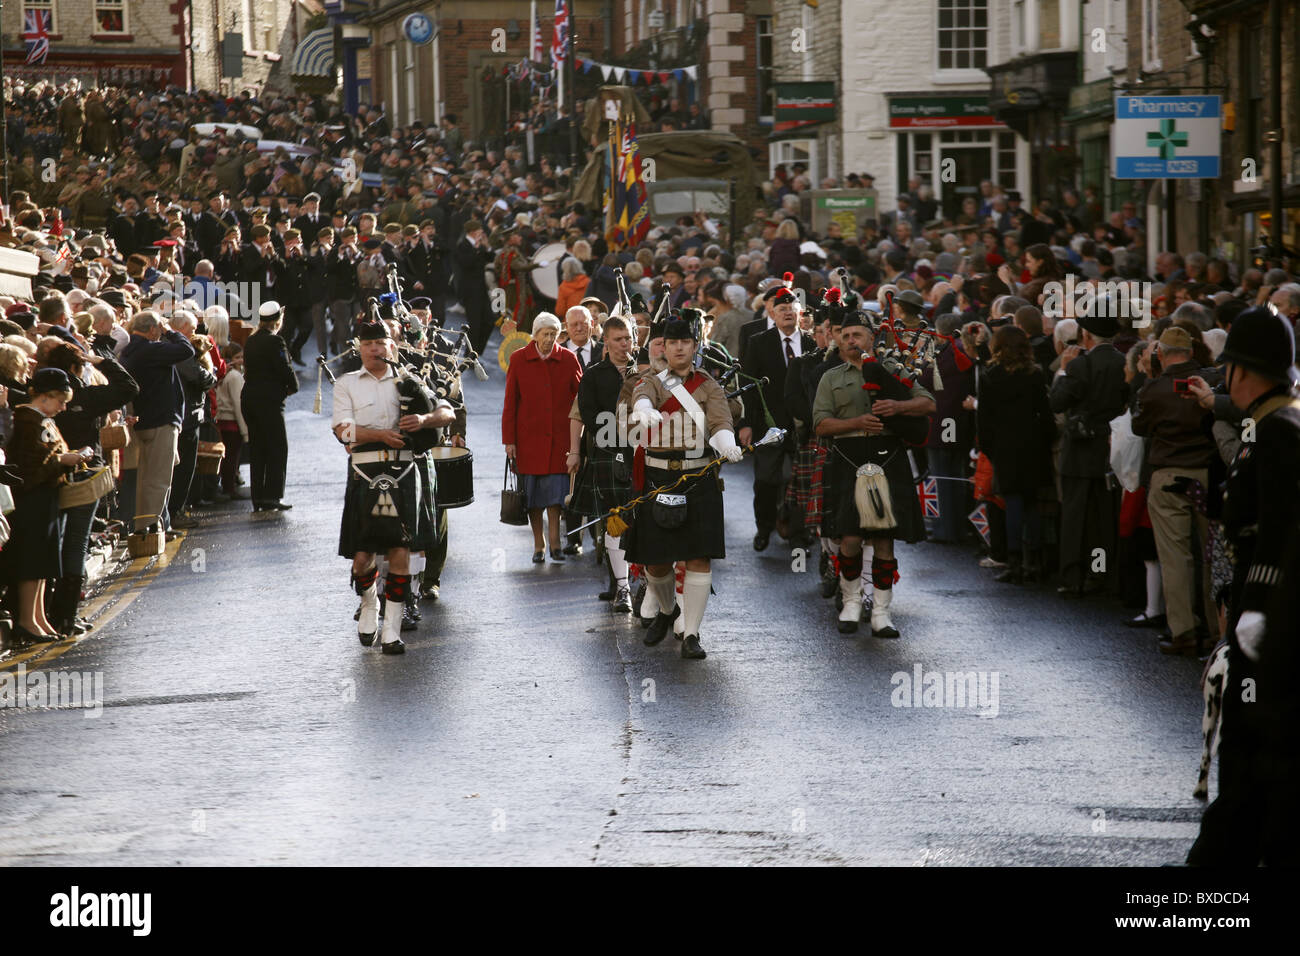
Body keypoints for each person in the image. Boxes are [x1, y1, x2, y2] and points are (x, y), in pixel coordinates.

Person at [1187, 306, 1300, 865]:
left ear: (1240, 370)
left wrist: (1256, 611)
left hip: (1272, 623)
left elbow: (1280, 529)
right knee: (1252, 749)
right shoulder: (1270, 422)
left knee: (1253, 746)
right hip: (1267, 618)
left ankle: (1216, 872)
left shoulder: (1279, 429)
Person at [622, 317, 744, 660]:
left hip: (697, 477)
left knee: (698, 557)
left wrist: (725, 443)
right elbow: (642, 396)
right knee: (656, 562)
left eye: (684, 342)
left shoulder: (708, 385)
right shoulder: (652, 381)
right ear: (665, 346)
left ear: (694, 346)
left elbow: (720, 420)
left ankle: (692, 633)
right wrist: (644, 409)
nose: (677, 347)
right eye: (671, 342)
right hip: (658, 477)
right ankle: (666, 609)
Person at [332, 319, 454, 654]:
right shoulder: (346, 384)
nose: (374, 349)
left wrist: (424, 420)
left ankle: (392, 629)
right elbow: (343, 430)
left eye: (380, 343)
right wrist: (380, 435)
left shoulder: (408, 381)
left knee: (401, 548)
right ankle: (370, 601)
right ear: (360, 348)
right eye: (368, 344)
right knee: (362, 556)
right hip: (365, 473)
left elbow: (446, 411)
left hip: (402, 471)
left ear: (392, 347)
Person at [813, 311, 935, 638]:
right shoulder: (831, 377)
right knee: (849, 537)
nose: (852, 341)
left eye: (858, 335)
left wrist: (897, 408)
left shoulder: (894, 370)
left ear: (871, 338)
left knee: (884, 539)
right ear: (839, 340)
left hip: (888, 456)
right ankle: (851, 602)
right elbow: (821, 424)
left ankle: (881, 611)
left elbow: (928, 404)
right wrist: (855, 424)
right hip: (848, 458)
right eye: (847, 335)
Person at [1131, 326, 1222, 655]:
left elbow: (1138, 426)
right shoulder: (1208, 382)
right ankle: (1218, 629)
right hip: (1207, 474)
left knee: (1176, 557)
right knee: (1213, 555)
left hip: (1168, 473)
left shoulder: (1155, 388)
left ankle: (1183, 631)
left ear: (1161, 353)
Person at [42, 342, 139, 635]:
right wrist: (103, 362)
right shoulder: (85, 394)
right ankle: (66, 615)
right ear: (75, 367)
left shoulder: (41, 394)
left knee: (57, 543)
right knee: (76, 542)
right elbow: (130, 387)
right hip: (84, 473)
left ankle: (54, 614)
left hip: (53, 475)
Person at [0, 368, 94, 644]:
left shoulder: (40, 419)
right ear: (45, 396)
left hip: (46, 498)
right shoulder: (28, 420)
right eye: (60, 401)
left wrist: (68, 458)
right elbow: (30, 467)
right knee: (33, 563)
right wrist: (64, 460)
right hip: (32, 501)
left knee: (43, 563)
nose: (63, 407)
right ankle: (28, 620)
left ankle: (38, 617)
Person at [1048, 303, 1128, 597]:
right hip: (1109, 448)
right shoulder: (1123, 362)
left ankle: (1072, 577)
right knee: (1102, 517)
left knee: (1074, 516)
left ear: (1087, 335)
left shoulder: (1079, 365)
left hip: (1079, 449)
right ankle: (1100, 574)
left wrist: (1064, 372)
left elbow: (1057, 402)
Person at [975, 326, 1055, 584]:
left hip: (1004, 446)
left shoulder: (990, 375)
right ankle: (1034, 560)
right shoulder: (1034, 373)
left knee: (1012, 502)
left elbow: (983, 418)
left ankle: (1014, 560)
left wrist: (990, 448)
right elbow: (1045, 413)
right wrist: (1045, 439)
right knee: (1031, 502)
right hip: (1032, 443)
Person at [569, 315, 638, 611]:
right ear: (606, 342)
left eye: (629, 339)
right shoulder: (594, 375)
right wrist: (619, 434)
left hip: (643, 452)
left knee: (641, 519)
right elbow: (588, 412)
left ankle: (643, 582)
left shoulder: (645, 372)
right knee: (615, 520)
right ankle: (620, 587)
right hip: (609, 454)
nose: (625, 344)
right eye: (619, 339)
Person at [501, 312, 583, 562]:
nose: (549, 339)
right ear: (535, 335)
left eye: (554, 334)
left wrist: (577, 440)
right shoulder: (519, 359)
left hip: (560, 439)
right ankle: (539, 544)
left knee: (556, 496)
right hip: (529, 440)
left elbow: (581, 398)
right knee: (533, 498)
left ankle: (556, 541)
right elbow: (510, 402)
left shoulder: (568, 359)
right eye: (545, 334)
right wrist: (509, 440)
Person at [740, 286, 815, 550]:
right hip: (767, 424)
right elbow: (748, 385)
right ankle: (764, 527)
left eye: (791, 309)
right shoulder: (759, 342)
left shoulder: (811, 343)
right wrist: (747, 423)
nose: (787, 314)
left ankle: (798, 530)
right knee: (765, 480)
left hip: (804, 425)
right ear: (772, 312)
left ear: (799, 313)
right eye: (781, 309)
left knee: (799, 479)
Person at [119, 310, 195, 534]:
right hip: (160, 421)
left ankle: (156, 523)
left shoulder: (130, 349)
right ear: (153, 329)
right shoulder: (150, 349)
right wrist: (171, 331)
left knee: (147, 478)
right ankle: (149, 526)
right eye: (159, 329)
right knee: (159, 479)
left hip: (147, 419)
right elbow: (186, 349)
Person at [241, 301, 299, 511]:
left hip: (249, 399)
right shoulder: (275, 341)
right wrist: (292, 387)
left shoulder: (252, 340)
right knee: (276, 447)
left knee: (258, 448)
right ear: (277, 320)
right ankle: (273, 496)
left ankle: (258, 498)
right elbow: (285, 368)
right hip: (268, 402)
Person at [455, 220, 496, 355]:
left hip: (481, 289)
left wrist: (487, 246)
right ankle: (470, 356)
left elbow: (490, 257)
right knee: (475, 325)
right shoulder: (463, 245)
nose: (482, 233)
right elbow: (467, 264)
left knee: (489, 321)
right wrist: (478, 249)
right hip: (470, 291)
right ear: (472, 232)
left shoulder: (479, 245)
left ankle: (477, 352)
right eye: (479, 231)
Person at [215, 343, 249, 499]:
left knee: (229, 457)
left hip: (223, 420)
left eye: (242, 357)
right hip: (232, 422)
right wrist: (245, 431)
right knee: (232, 458)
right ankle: (229, 489)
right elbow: (238, 403)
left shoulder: (225, 374)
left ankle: (228, 487)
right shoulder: (235, 376)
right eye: (237, 357)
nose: (240, 360)